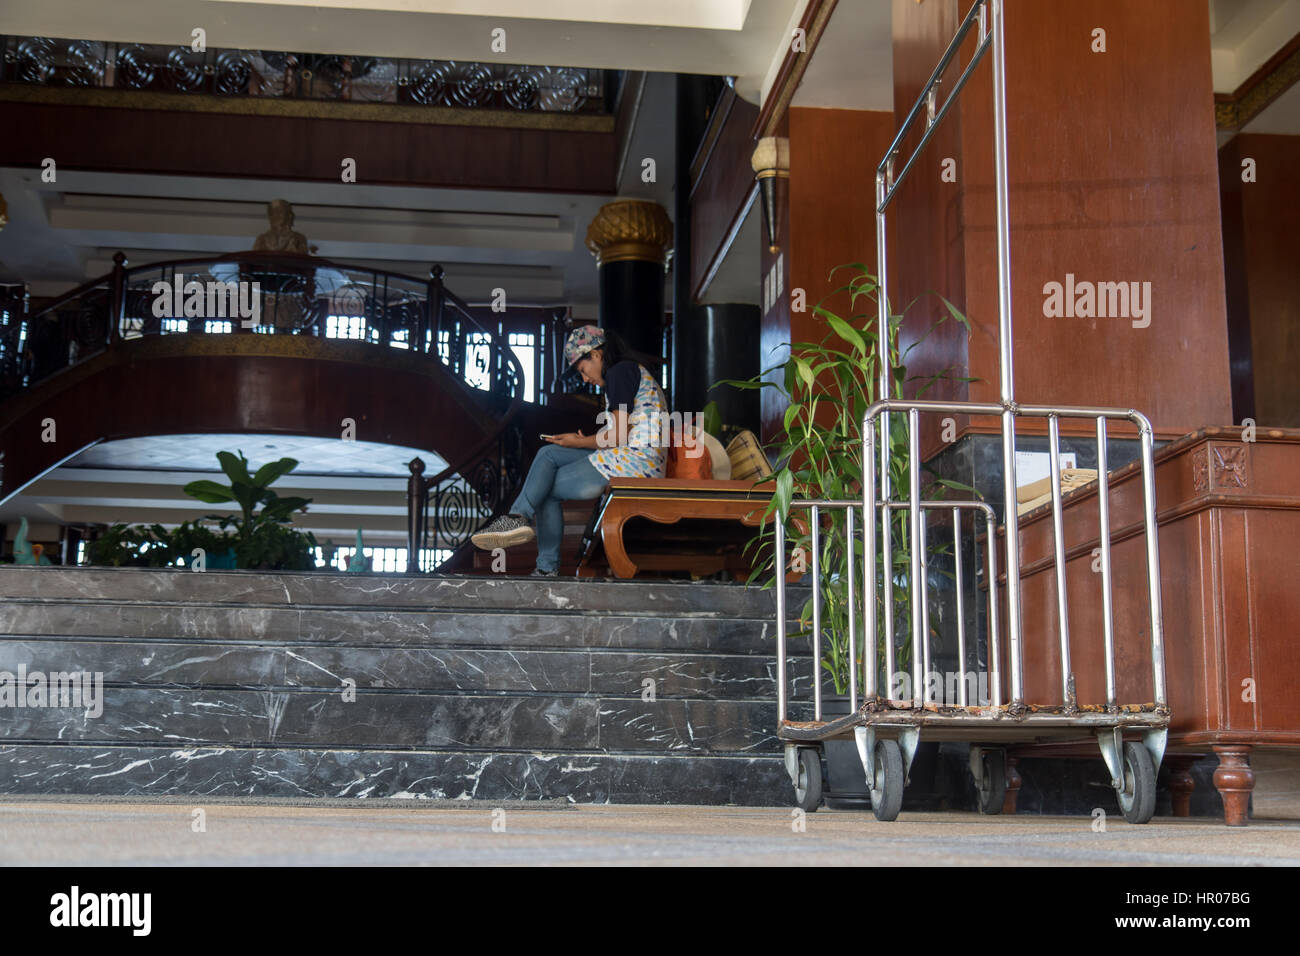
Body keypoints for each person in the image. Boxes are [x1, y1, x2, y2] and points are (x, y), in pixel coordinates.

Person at [471, 325, 666, 575]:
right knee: (548, 453)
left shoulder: (620, 371)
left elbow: (618, 435)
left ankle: (544, 566)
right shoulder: (628, 371)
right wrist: (582, 440)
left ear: (596, 355)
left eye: (583, 370)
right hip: (632, 457)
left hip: (635, 463)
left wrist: (580, 442)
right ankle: (518, 518)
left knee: (545, 490)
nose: (585, 379)